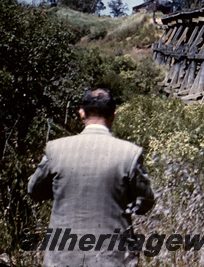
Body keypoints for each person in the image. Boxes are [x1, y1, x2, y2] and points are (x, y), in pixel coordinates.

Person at [28, 87, 155, 267]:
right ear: (114, 114)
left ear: (81, 114)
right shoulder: (130, 153)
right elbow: (146, 203)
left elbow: (34, 191)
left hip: (62, 258)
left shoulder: (55, 149)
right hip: (113, 258)